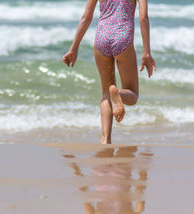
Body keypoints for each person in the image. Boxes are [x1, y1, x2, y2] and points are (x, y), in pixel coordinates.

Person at [62, 0, 156, 144]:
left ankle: (105, 139)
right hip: (122, 39)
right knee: (133, 94)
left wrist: (74, 48)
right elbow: (143, 18)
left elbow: (86, 18)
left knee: (106, 93)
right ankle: (118, 93)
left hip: (101, 38)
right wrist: (146, 52)